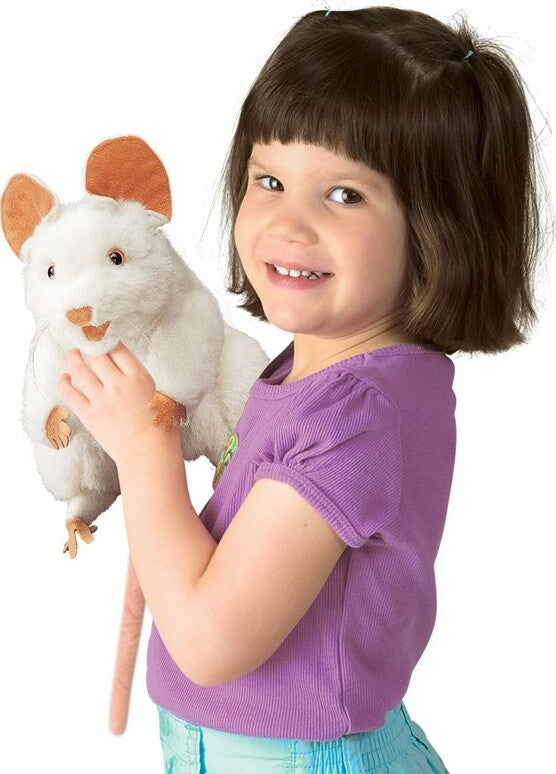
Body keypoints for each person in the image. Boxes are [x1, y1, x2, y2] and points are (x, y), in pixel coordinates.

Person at [59, 6, 547, 773]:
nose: (289, 223)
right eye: (270, 180)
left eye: (344, 195)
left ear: (439, 227)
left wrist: (143, 451)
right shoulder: (322, 373)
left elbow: (210, 642)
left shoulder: (355, 413)